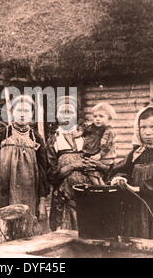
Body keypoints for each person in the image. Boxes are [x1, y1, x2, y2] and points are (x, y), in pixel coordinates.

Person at [109, 106, 153, 239]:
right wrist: (121, 179)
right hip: (135, 205)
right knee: (135, 236)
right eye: (143, 127)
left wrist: (138, 188)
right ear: (138, 129)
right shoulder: (135, 153)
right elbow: (122, 170)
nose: (148, 132)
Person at [0, 95, 49, 221]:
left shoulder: (36, 138)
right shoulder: (0, 135)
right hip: (4, 194)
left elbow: (43, 171)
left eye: (26, 111)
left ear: (32, 114)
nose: (22, 115)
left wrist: (42, 202)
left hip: (30, 194)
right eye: (19, 110)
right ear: (12, 112)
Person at [47, 96, 97, 231]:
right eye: (62, 112)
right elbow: (51, 173)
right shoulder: (54, 140)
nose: (66, 116)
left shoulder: (87, 136)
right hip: (64, 195)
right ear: (56, 115)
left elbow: (98, 162)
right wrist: (72, 166)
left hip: (87, 193)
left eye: (70, 112)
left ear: (76, 115)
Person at [79, 102, 117, 185]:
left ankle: (99, 187)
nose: (97, 119)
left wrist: (99, 155)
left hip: (106, 159)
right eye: (95, 116)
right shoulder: (100, 129)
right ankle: (101, 186)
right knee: (93, 172)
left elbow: (107, 146)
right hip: (104, 158)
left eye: (101, 116)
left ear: (109, 118)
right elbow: (87, 128)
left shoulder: (109, 131)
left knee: (90, 169)